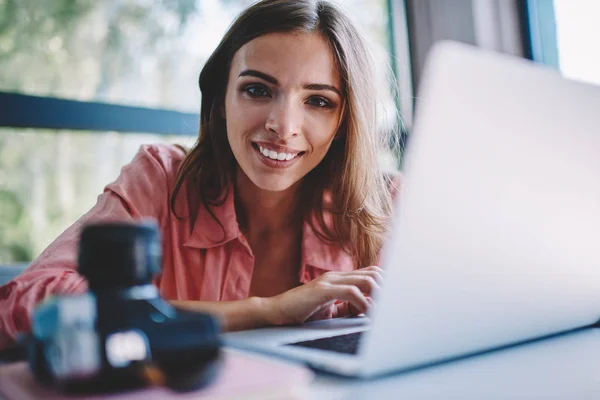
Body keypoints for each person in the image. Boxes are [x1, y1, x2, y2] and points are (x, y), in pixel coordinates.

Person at [0, 0, 400, 350]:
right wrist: (265, 311)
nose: (283, 125)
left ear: (346, 120)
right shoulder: (160, 180)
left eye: (317, 100)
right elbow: (26, 304)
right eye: (258, 90)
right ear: (222, 98)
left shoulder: (388, 207)